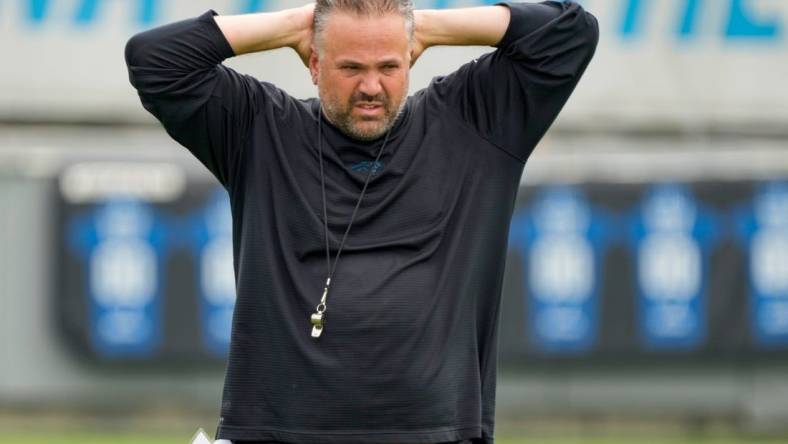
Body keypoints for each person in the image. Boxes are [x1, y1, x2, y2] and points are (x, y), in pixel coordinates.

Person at [125, 0, 598, 442]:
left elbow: (570, 31)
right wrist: (295, 25)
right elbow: (154, 60)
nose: (371, 87)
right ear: (314, 63)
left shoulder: (475, 123)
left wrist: (424, 25)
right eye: (351, 67)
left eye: (388, 66)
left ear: (410, 58)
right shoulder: (258, 129)